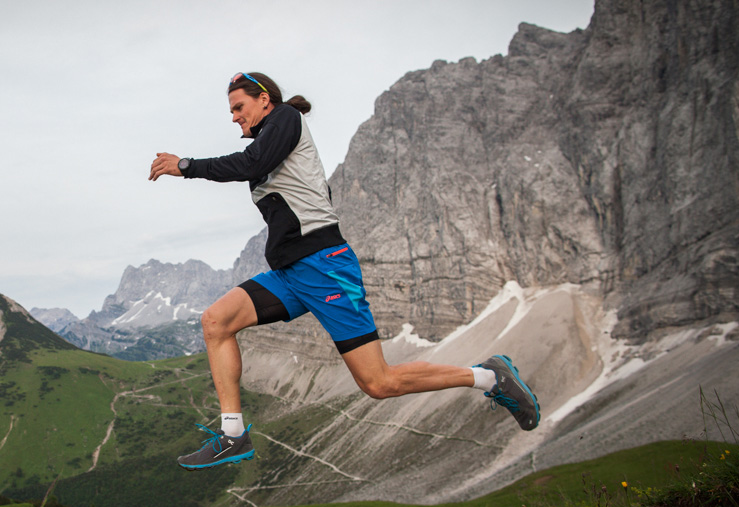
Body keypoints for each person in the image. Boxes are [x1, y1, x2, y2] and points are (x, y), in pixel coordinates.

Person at [148, 72, 540, 470]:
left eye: (239, 107)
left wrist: (186, 165)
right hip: (289, 273)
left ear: (264, 99)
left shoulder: (284, 118)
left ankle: (489, 377)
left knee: (378, 383)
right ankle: (234, 436)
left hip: (323, 267)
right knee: (216, 321)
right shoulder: (269, 138)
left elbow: (253, 162)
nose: (234, 117)